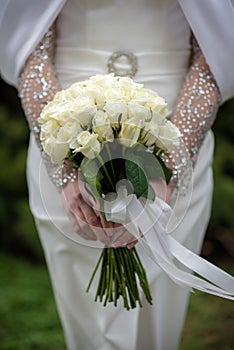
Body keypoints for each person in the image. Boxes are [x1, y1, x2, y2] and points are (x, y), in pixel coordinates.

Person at [0, 1, 234, 349]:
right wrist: (64, 166)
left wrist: (169, 162)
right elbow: (29, 48)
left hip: (177, 125)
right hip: (64, 129)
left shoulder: (176, 150)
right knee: (85, 319)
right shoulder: (62, 153)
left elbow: (218, 47)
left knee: (158, 314)